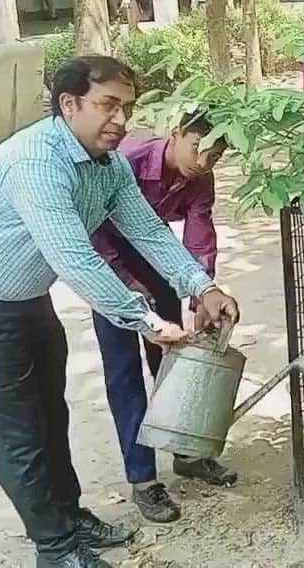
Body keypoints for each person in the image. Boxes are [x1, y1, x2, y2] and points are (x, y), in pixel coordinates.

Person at [0, 55, 241, 568]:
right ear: (69, 104)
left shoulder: (107, 166)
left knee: (50, 417)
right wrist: (144, 320)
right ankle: (56, 548)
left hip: (26, 300)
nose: (120, 120)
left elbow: (150, 231)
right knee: (16, 434)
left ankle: (68, 517)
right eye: (108, 105)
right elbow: (73, 256)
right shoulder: (37, 162)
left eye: (127, 108)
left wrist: (202, 286)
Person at [90, 115, 235, 523]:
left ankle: (188, 453)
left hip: (157, 258)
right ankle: (143, 480)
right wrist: (125, 284)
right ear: (175, 133)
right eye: (198, 147)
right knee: (125, 375)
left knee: (174, 361)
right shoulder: (127, 160)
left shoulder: (199, 176)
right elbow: (94, 231)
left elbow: (199, 233)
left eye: (216, 154)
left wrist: (201, 292)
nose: (205, 160)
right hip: (105, 264)